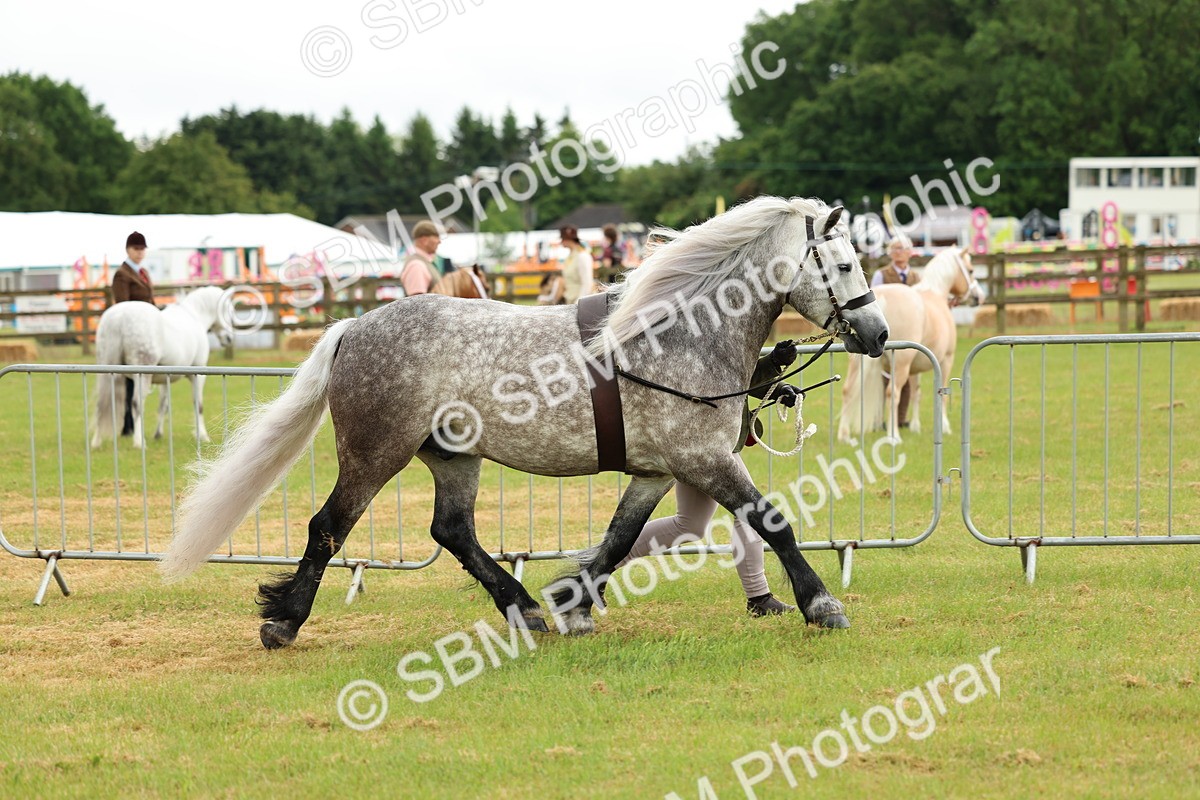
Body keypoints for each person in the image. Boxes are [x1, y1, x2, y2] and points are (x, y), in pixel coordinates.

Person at [618, 340, 802, 617]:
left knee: (690, 524)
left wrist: (777, 388)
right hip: (702, 443)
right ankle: (759, 598)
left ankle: (598, 567)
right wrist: (773, 365)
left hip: (699, 441)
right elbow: (717, 377)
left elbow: (736, 378)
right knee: (749, 512)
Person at [111, 231, 155, 436]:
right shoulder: (122, 274)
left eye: (142, 249)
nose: (139, 252)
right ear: (128, 250)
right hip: (131, 330)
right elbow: (123, 304)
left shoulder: (143, 273)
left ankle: (130, 421)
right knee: (128, 379)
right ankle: (126, 422)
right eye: (136, 249)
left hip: (147, 328)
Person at [871, 234, 915, 428]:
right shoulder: (882, 275)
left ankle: (900, 418)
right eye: (896, 248)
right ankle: (878, 418)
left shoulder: (915, 277)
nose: (900, 253)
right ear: (890, 252)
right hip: (887, 328)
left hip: (909, 330)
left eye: (903, 249)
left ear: (910, 253)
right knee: (881, 376)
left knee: (906, 378)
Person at [401, 220, 441, 296]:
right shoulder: (417, 265)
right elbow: (417, 303)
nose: (439, 241)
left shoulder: (422, 262)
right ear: (424, 240)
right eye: (436, 237)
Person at [559, 225, 594, 303]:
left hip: (579, 301)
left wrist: (578, 303)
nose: (561, 242)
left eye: (563, 238)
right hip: (570, 299)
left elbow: (587, 283)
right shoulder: (570, 257)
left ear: (568, 240)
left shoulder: (582, 256)